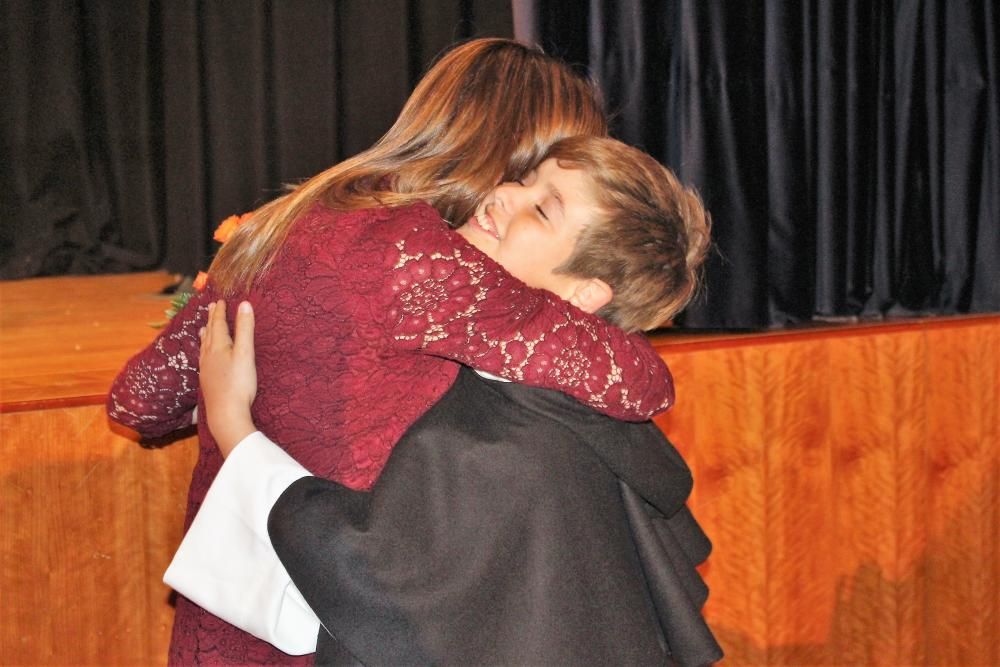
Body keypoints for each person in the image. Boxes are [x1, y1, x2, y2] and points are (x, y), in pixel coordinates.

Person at [107, 40, 678, 665]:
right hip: (333, 618)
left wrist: (245, 396)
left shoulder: (283, 220)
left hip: (223, 611)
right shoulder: (434, 264)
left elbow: (139, 400)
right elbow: (641, 382)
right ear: (516, 153)